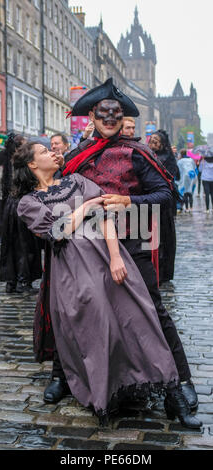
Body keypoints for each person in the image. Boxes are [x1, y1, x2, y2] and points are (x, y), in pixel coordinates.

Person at [14, 141, 201, 428]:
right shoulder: (28, 203)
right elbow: (55, 232)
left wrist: (116, 257)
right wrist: (86, 206)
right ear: (32, 165)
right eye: (44, 152)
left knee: (141, 319)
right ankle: (106, 393)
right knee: (97, 331)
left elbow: (105, 218)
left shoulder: (76, 181)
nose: (53, 153)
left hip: (106, 258)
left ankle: (173, 392)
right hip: (72, 272)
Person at [60, 78, 199, 420]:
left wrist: (128, 200)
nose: (109, 119)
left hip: (134, 240)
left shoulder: (138, 152)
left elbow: (167, 196)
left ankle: (181, 380)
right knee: (81, 312)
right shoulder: (76, 155)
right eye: (103, 113)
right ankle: (63, 375)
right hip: (87, 246)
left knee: (153, 310)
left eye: (116, 113)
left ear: (122, 117)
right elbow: (62, 196)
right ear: (92, 116)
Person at [0, 134, 42, 293]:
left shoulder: (8, 160)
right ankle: (23, 282)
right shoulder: (23, 163)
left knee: (12, 245)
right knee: (25, 246)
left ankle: (12, 281)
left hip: (10, 206)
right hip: (21, 205)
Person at [148, 130, 180, 284]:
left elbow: (172, 176)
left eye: (156, 140)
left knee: (163, 238)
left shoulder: (167, 157)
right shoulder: (147, 154)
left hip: (164, 204)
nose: (153, 142)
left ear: (162, 143)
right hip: (149, 201)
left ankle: (163, 272)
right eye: (151, 139)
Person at [177, 149, 197, 213]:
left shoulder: (180, 161)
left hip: (184, 179)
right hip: (191, 177)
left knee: (185, 193)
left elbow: (178, 171)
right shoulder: (191, 160)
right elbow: (195, 168)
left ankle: (187, 208)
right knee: (190, 194)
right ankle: (191, 208)